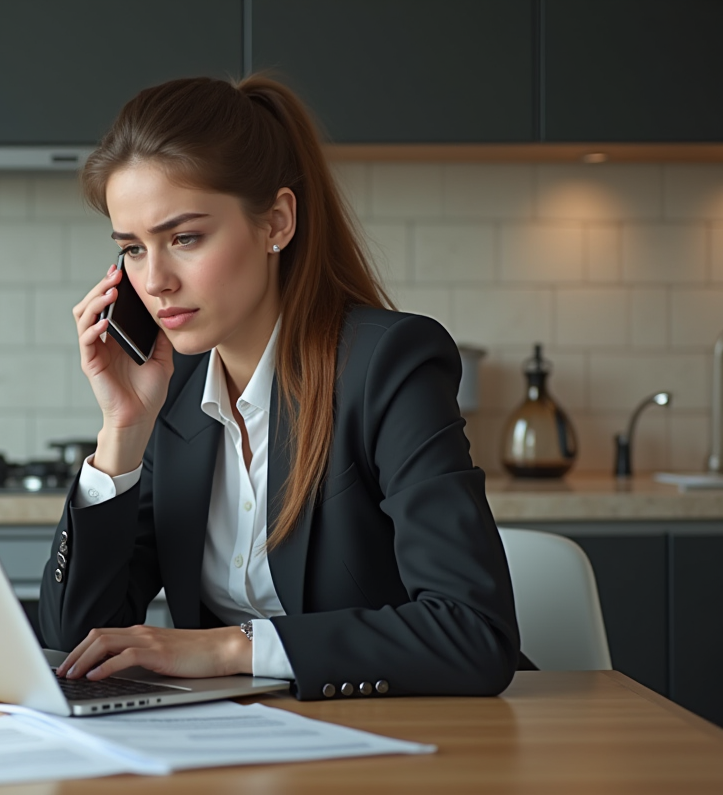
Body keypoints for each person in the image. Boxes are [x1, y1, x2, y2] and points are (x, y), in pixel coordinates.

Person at [38, 75, 521, 700]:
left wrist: (229, 647)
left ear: (276, 222)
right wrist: (122, 432)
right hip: (236, 739)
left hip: (401, 732)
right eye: (132, 248)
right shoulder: (173, 393)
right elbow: (74, 641)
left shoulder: (386, 366)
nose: (154, 281)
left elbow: (472, 633)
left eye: (184, 238)